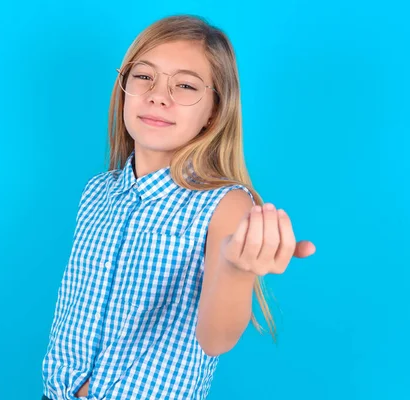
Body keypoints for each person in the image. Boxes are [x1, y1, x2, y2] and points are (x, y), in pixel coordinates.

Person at [40, 14, 316, 400]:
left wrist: (237, 270)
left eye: (185, 85)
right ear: (123, 87)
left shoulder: (226, 205)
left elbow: (215, 339)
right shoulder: (97, 192)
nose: (157, 95)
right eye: (143, 76)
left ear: (214, 114)